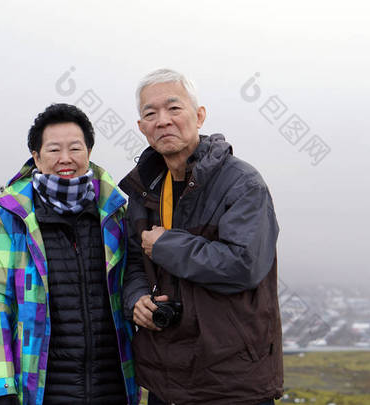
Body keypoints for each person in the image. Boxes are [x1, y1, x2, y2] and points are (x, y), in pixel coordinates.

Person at [120, 69, 283, 405]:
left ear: (199, 115)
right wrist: (136, 300)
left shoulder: (241, 183)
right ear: (141, 127)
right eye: (150, 114)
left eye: (174, 108)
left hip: (231, 380)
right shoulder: (144, 189)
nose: (162, 120)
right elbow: (134, 260)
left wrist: (165, 245)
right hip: (167, 377)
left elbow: (244, 265)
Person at [0, 103, 140, 405]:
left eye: (75, 148)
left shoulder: (115, 215)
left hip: (114, 387)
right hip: (43, 392)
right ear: (37, 158)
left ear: (89, 152)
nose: (65, 159)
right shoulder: (12, 220)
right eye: (53, 150)